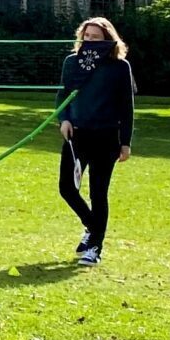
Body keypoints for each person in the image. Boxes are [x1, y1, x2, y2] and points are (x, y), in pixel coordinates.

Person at [57, 16, 136, 266]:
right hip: (77, 135)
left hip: (106, 136)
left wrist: (125, 142)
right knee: (67, 188)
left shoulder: (120, 67)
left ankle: (95, 247)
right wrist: (64, 120)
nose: (90, 41)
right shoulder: (72, 63)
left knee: (98, 193)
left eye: (96, 37)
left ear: (108, 40)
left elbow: (127, 107)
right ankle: (93, 228)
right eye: (87, 36)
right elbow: (63, 95)